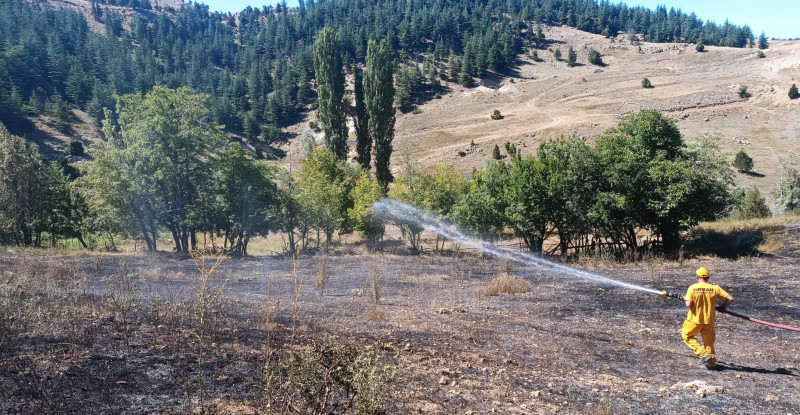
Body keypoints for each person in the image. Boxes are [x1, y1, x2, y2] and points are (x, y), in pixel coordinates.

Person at [681, 267, 734, 369]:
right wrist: (723, 306)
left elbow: (688, 304)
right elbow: (731, 299)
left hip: (694, 320)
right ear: (708, 277)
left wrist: (686, 300)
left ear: (697, 277)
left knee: (687, 336)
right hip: (709, 320)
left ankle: (703, 354)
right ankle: (712, 363)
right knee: (709, 342)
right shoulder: (715, 288)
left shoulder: (692, 288)